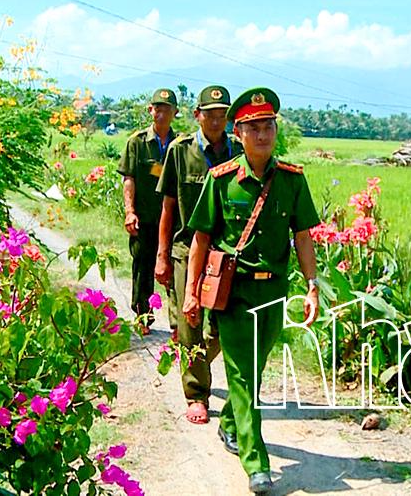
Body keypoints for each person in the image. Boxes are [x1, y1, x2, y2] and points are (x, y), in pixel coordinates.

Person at [183, 87, 321, 494]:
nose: (263, 135)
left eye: (269, 127)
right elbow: (200, 241)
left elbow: (303, 236)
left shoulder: (293, 181)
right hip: (235, 294)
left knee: (254, 372)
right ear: (238, 133)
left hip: (274, 294)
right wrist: (192, 292)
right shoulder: (221, 180)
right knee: (242, 375)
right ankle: (256, 462)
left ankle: (230, 423)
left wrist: (312, 288)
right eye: (254, 128)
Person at [155, 85, 241, 425]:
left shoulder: (238, 150)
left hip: (225, 251)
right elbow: (168, 206)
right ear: (197, 116)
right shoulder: (181, 151)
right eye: (211, 114)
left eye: (223, 115)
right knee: (189, 321)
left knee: (220, 323)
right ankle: (196, 394)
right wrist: (162, 255)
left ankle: (197, 361)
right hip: (184, 248)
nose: (217, 120)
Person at [116, 88, 179, 332]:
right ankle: (143, 317)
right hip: (145, 216)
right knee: (142, 267)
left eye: (166, 109)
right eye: (157, 108)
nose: (161, 114)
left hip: (173, 219)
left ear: (175, 112)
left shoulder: (180, 144)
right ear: (150, 110)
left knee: (173, 268)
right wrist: (129, 211)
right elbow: (128, 178)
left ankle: (177, 323)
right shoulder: (137, 142)